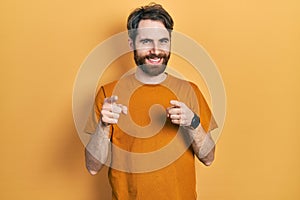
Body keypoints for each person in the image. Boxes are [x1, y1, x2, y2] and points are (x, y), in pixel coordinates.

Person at [84, 3, 218, 200]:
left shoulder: (190, 91)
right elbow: (92, 167)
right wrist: (104, 126)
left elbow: (208, 158)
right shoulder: (109, 94)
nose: (156, 50)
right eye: (146, 41)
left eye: (163, 41)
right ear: (131, 43)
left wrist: (193, 122)